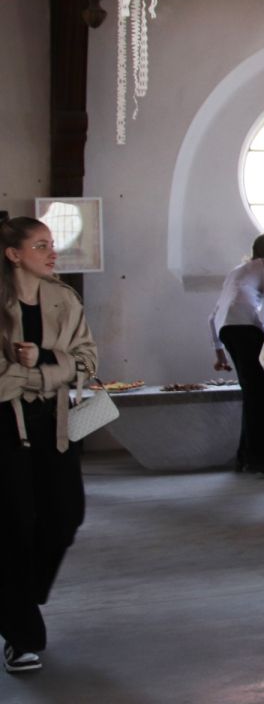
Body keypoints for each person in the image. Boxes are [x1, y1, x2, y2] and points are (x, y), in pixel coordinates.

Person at [0, 218, 96, 674]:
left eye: (52, 244)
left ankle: (17, 598)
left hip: (55, 422)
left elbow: (88, 361)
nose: (52, 253)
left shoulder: (64, 299)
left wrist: (42, 363)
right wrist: (51, 373)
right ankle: (21, 636)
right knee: (13, 525)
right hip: (5, 425)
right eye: (40, 246)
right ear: (13, 254)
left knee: (65, 516)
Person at [210, 232, 264, 473]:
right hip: (246, 328)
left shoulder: (238, 270)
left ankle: (245, 455)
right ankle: (256, 456)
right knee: (259, 394)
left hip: (226, 329)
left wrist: (220, 352)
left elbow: (213, 316)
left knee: (252, 392)